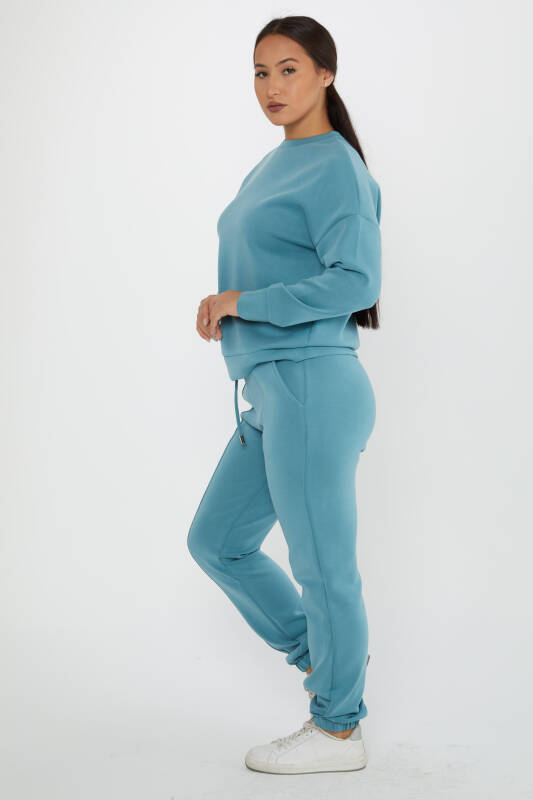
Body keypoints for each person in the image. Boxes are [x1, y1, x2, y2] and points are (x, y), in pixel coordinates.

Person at [187, 15, 382, 775]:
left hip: (311, 382)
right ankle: (328, 657)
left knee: (323, 565)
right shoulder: (275, 164)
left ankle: (337, 729)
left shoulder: (335, 166)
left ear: (326, 74)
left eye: (289, 69)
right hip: (269, 389)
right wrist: (229, 305)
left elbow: (356, 282)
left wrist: (246, 302)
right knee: (217, 541)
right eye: (260, 72)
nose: (272, 86)